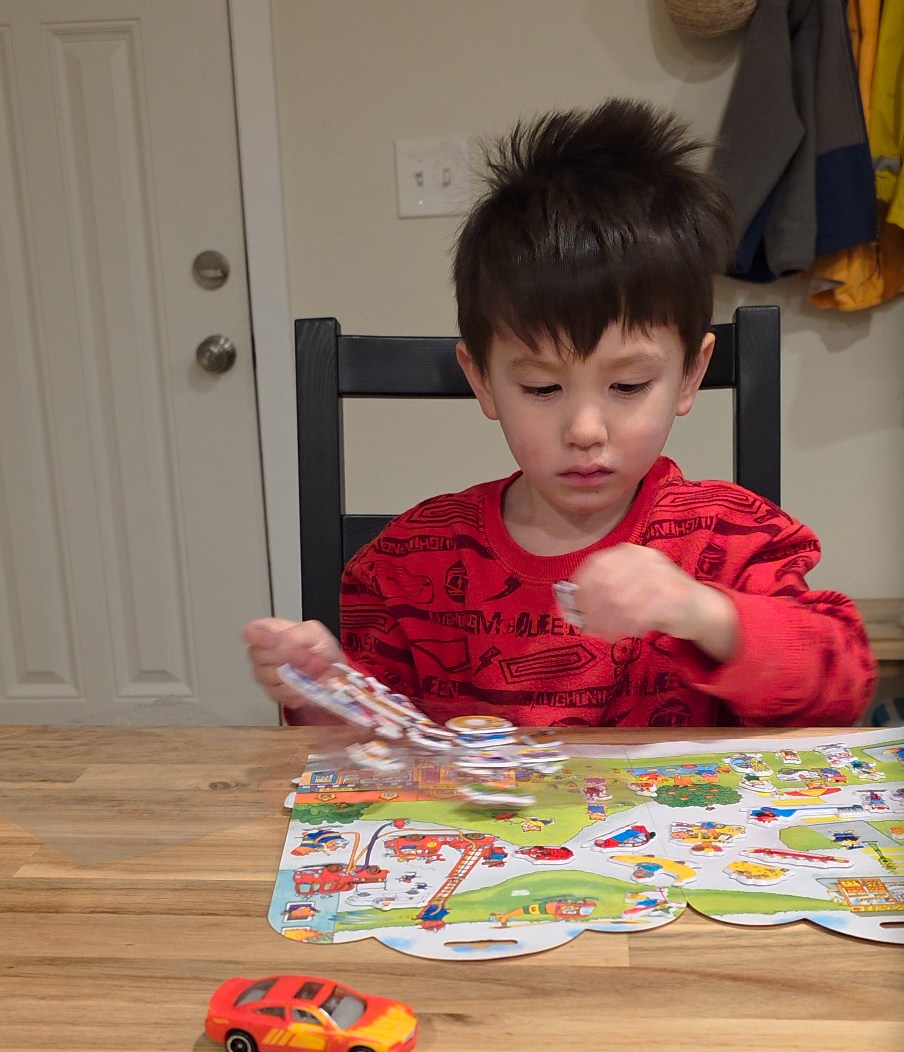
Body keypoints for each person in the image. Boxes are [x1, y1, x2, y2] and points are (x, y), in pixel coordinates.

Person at [244, 98, 876, 728]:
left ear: (690, 374)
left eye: (628, 385)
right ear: (482, 382)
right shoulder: (411, 564)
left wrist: (704, 611)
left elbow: (842, 683)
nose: (585, 431)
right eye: (543, 390)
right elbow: (369, 751)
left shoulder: (732, 540)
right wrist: (321, 689)